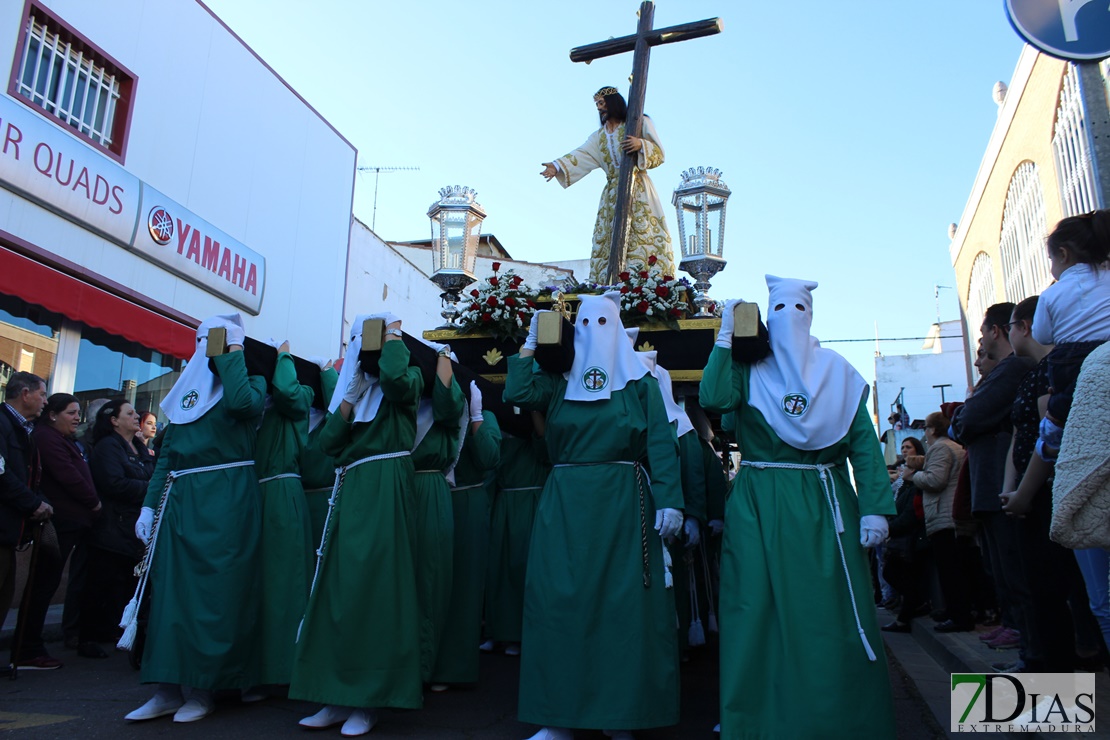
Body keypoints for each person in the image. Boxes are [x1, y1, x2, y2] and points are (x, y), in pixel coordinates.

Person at [700, 277, 896, 739]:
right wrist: (725, 338)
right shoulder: (749, 370)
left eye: (798, 307)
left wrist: (875, 508)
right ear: (767, 315)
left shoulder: (838, 372)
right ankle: (751, 715)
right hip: (757, 505)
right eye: (780, 308)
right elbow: (713, 400)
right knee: (752, 610)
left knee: (824, 615)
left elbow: (864, 447)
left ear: (810, 314)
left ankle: (835, 717)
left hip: (822, 508)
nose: (790, 316)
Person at [505, 293, 683, 740]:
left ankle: (619, 714)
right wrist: (531, 341)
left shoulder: (639, 382)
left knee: (621, 610)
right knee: (559, 603)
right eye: (584, 323)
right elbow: (517, 392)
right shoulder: (559, 380)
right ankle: (557, 716)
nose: (593, 330)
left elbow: (660, 443)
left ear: (618, 327)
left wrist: (670, 501)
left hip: (624, 505)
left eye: (604, 321)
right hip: (565, 506)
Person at [124, 314, 265, 723]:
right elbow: (167, 456)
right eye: (204, 341)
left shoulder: (251, 385)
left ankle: (203, 690)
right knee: (170, 597)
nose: (210, 348)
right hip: (180, 500)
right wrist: (150, 505)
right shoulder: (185, 393)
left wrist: (234, 350)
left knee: (214, 595)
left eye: (218, 341)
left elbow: (241, 402)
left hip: (226, 499)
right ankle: (166, 687)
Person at [289, 313, 424, 737]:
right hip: (350, 487)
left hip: (385, 484)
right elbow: (327, 444)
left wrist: (393, 338)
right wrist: (349, 394)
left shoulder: (408, 379)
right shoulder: (352, 389)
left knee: (377, 590)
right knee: (338, 591)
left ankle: (369, 699)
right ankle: (334, 693)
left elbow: (399, 383)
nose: (362, 349)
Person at [1000, 296, 1104, 672]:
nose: (1009, 335)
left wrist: (1024, 492)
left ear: (1025, 326)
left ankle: (1056, 690)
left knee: (1056, 593)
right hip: (1027, 493)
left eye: (1010, 326)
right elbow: (1020, 435)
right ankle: (1047, 676)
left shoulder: (1054, 371)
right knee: (1044, 592)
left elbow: (1049, 442)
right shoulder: (1034, 373)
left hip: (1048, 493)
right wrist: (1010, 487)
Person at [950, 303, 1035, 652]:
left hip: (1003, 485)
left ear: (997, 331)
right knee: (999, 568)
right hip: (989, 486)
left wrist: (964, 416)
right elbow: (962, 422)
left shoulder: (1013, 369)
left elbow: (966, 420)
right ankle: (1015, 627)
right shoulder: (1000, 375)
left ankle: (1028, 639)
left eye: (983, 334)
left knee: (1016, 570)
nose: (980, 345)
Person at [540, 86, 674, 283]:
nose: (599, 109)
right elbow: (582, 154)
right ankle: (610, 282)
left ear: (613, 103)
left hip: (639, 188)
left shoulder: (638, 123)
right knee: (610, 239)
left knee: (642, 234)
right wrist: (557, 166)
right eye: (597, 105)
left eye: (601, 104)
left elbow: (659, 153)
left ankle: (645, 283)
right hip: (612, 194)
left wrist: (640, 145)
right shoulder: (599, 136)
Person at [12, 393, 101, 670]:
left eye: (78, 413)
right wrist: (94, 501)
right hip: (58, 523)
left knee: (47, 585)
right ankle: (27, 649)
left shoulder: (62, 440)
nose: (77, 418)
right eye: (71, 413)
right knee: (42, 586)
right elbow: (68, 476)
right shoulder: (46, 439)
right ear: (53, 414)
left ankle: (29, 647)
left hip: (73, 522)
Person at [253, 340, 315, 691]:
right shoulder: (257, 400)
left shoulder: (300, 395)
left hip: (281, 491)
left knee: (285, 584)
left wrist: (285, 355)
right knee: (260, 584)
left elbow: (290, 393)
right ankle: (259, 668)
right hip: (257, 490)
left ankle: (285, 668)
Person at [431, 380, 501, 687]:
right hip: (436, 499)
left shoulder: (485, 415)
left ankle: (454, 668)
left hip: (467, 502)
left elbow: (489, 458)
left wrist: (475, 418)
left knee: (463, 587)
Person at [1030, 210, 1110, 461]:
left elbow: (1042, 336)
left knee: (1064, 407)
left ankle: (1054, 437)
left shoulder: (1050, 295)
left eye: (1051, 259)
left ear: (1063, 254)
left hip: (1069, 359)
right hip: (1106, 351)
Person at [409, 343, 466, 690]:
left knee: (428, 580)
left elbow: (446, 406)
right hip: (400, 486)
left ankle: (425, 665)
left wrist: (442, 358)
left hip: (429, 489)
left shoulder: (448, 404)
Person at [85, 400, 152, 656]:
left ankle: (115, 630)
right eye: (130, 412)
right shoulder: (106, 448)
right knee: (100, 583)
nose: (137, 416)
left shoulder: (138, 447)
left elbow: (154, 473)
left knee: (125, 584)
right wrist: (149, 490)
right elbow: (114, 483)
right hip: (112, 527)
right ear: (114, 420)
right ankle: (89, 637)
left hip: (133, 528)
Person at [484, 411, 549, 655]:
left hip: (529, 502)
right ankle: (495, 631)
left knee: (521, 567)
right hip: (504, 502)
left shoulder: (537, 431)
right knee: (497, 569)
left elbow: (545, 448)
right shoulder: (498, 425)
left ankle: (518, 635)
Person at [0, 373, 52, 660]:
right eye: (42, 395)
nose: (45, 401)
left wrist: (38, 501)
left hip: (9, 531)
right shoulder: (3, 424)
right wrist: (32, 504)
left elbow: (25, 475)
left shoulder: (23, 429)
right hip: (3, 526)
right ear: (24, 393)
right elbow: (2, 473)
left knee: (5, 597)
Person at [879, 437, 930, 633]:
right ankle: (909, 608)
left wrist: (889, 528)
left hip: (909, 540)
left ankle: (908, 613)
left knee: (900, 575)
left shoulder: (913, 489)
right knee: (895, 574)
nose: (902, 470)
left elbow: (909, 516)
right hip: (901, 539)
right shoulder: (905, 488)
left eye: (908, 448)